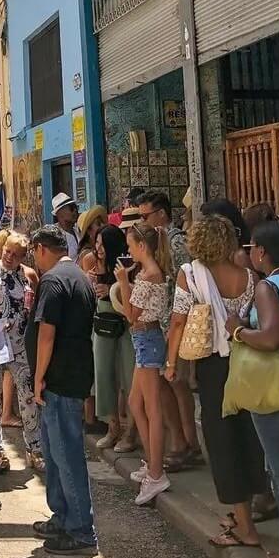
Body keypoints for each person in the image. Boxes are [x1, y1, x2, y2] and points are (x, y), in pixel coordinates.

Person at [165, 214, 266, 550]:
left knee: (223, 441)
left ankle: (246, 527)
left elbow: (178, 321)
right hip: (248, 362)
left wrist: (170, 363)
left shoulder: (190, 274)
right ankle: (246, 513)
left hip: (213, 368)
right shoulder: (248, 277)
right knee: (249, 435)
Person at [225, 221, 279, 558]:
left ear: (263, 252)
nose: (249, 251)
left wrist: (238, 331)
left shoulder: (269, 287)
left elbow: (271, 337)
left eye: (252, 246)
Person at [26, 224, 98, 556]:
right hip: (73, 374)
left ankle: (81, 530)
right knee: (56, 454)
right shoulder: (79, 276)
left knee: (66, 455)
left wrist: (39, 377)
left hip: (60, 379)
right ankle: (63, 516)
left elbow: (47, 334)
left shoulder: (54, 280)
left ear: (42, 249)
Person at [137, 189, 201, 470]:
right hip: (163, 324)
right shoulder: (160, 243)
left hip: (173, 324)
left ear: (161, 214)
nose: (143, 221)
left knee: (176, 383)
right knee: (166, 384)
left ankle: (187, 442)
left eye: (145, 215)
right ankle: (181, 441)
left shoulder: (175, 244)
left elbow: (181, 288)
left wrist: (175, 324)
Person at [115, 222, 172, 505]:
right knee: (137, 404)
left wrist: (124, 283)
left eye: (130, 244)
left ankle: (157, 472)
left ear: (141, 246)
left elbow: (130, 315)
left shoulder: (148, 276)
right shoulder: (151, 274)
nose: (127, 249)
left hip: (147, 338)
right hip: (145, 340)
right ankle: (152, 464)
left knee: (152, 408)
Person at [0, 231, 42, 472]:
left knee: (28, 399)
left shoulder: (28, 275)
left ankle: (34, 448)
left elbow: (36, 307)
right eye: (8, 251)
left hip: (20, 347)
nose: (10, 257)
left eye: (16, 255)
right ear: (2, 248)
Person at [89, 226, 135, 451]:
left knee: (129, 379)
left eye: (102, 243)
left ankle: (131, 432)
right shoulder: (94, 266)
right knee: (104, 376)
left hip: (124, 325)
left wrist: (112, 289)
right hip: (102, 324)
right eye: (96, 243)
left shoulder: (125, 267)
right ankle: (113, 427)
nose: (98, 248)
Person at [76, 206, 107, 272]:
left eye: (103, 223)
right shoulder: (88, 254)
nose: (103, 226)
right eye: (98, 224)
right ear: (88, 231)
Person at [51, 193, 80, 260]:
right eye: (71, 208)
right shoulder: (54, 235)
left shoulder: (78, 230)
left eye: (76, 207)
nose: (75, 211)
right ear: (60, 213)